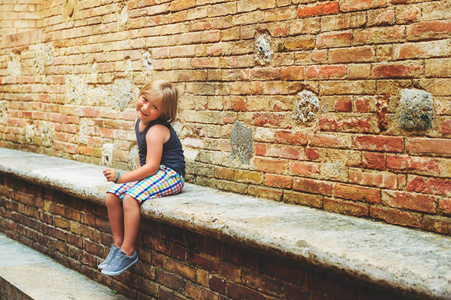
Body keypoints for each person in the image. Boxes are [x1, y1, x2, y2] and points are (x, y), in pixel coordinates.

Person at [99, 79, 185, 276]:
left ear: (163, 113)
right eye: (144, 99)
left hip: (170, 175)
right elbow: (143, 156)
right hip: (153, 172)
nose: (145, 107)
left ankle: (128, 251)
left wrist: (123, 177)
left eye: (154, 107)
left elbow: (153, 166)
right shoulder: (140, 123)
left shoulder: (156, 130)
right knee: (112, 194)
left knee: (130, 198)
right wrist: (131, 179)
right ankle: (118, 245)